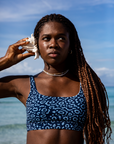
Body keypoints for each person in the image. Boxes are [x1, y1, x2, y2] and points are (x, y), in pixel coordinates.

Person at [0, 14, 112, 144]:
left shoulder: (87, 86)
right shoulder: (22, 84)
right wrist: (5, 61)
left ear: (71, 45)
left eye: (61, 38)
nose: (53, 44)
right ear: (37, 44)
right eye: (46, 38)